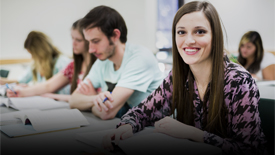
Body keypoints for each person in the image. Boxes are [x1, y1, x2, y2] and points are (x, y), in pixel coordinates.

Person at [102, 1, 267, 155]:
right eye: (181, 32)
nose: (189, 40)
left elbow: (249, 149)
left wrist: (194, 134)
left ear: (215, 36)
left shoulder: (239, 81)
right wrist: (127, 126)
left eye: (200, 31)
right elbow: (143, 112)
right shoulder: (179, 76)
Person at [69, 6, 164, 119]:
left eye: (95, 41)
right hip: (127, 127)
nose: (90, 50)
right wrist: (95, 99)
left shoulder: (140, 58)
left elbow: (106, 113)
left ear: (115, 35)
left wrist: (90, 101)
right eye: (89, 42)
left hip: (157, 129)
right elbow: (73, 100)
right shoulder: (103, 60)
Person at [7, 19, 97, 102]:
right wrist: (21, 92)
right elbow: (48, 86)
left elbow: (95, 98)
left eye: (78, 40)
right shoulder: (73, 66)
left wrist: (55, 96)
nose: (73, 43)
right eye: (72, 38)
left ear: (89, 40)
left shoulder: (98, 65)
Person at [1, 31, 71, 94]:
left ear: (40, 52)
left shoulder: (62, 63)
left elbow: (64, 92)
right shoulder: (36, 65)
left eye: (32, 54)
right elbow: (22, 80)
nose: (32, 57)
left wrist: (30, 89)